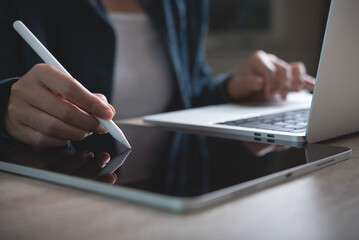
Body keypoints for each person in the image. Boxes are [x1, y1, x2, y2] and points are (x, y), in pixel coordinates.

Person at [0, 0, 315, 148]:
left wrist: (233, 88)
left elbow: (188, 95)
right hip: (60, 200)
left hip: (172, 191)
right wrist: (8, 108)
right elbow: (12, 97)